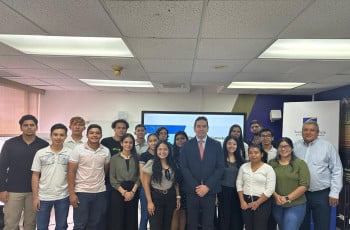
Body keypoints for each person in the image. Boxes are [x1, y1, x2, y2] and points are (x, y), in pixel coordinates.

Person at [0, 114, 49, 230]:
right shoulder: (10, 144)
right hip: (13, 191)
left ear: (36, 127)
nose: (29, 127)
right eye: (25, 125)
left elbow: (46, 170)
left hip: (35, 192)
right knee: (11, 224)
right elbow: (1, 168)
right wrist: (2, 189)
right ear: (21, 127)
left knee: (31, 224)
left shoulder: (44, 145)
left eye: (32, 125)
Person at [294, 120, 343, 230]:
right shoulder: (295, 146)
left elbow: (337, 170)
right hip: (300, 194)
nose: (308, 132)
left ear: (317, 132)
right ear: (301, 132)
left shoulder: (327, 147)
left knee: (322, 225)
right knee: (301, 225)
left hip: (322, 194)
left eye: (312, 130)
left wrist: (335, 192)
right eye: (305, 130)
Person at [180, 116, 224, 230]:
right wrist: (196, 187)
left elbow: (220, 168)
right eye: (198, 126)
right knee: (191, 223)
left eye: (204, 126)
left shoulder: (216, 145)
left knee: (208, 223)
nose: (201, 129)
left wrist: (207, 186)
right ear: (194, 128)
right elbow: (184, 168)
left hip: (210, 191)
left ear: (208, 128)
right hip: (191, 191)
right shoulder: (186, 145)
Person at [68, 124, 110, 229]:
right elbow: (71, 172)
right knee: (80, 224)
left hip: (99, 192)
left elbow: (105, 170)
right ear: (87, 135)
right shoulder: (78, 149)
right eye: (91, 133)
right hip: (82, 192)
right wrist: (72, 193)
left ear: (101, 135)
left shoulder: (106, 151)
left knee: (95, 223)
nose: (94, 135)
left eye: (97, 133)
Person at [31, 123, 71, 230]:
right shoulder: (41, 153)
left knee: (61, 226)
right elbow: (35, 176)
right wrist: (35, 197)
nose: (58, 137)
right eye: (55, 134)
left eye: (61, 135)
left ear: (66, 136)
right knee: (42, 227)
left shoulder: (70, 153)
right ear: (51, 135)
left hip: (63, 196)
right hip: (43, 196)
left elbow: (72, 175)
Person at [269, 137, 310, 230]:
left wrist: (287, 198)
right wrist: (276, 196)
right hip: (277, 204)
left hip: (296, 204)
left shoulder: (300, 164)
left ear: (292, 148)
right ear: (277, 148)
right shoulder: (272, 163)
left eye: (286, 146)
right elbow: (268, 183)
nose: (283, 149)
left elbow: (304, 185)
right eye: (280, 146)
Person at [142, 140, 181, 230]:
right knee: (156, 225)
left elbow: (175, 182)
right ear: (156, 151)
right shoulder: (151, 163)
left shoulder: (172, 163)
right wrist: (149, 202)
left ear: (169, 151)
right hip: (156, 197)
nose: (162, 152)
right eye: (160, 149)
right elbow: (146, 184)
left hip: (170, 197)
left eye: (165, 149)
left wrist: (178, 197)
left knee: (167, 225)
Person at [236, 144, 276, 230]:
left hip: (262, 202)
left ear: (261, 154)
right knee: (248, 227)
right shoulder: (243, 167)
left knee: (260, 227)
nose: (253, 155)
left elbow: (270, 188)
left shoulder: (268, 169)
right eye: (250, 153)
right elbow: (239, 183)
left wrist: (257, 203)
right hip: (246, 202)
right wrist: (242, 201)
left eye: (256, 152)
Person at [101, 119, 129, 229]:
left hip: (125, 183)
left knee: (120, 212)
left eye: (123, 128)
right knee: (107, 209)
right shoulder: (106, 142)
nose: (121, 130)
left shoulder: (128, 142)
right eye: (119, 127)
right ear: (114, 128)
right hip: (109, 182)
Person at [109, 133, 140, 230]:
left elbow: (140, 177)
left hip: (133, 191)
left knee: (131, 219)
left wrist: (132, 192)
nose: (128, 144)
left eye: (131, 142)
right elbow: (112, 178)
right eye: (126, 142)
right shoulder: (114, 158)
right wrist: (124, 192)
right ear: (121, 143)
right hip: (118, 190)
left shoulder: (137, 157)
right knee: (117, 219)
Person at [218, 136, 244, 230]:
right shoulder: (220, 158)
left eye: (234, 144)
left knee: (236, 218)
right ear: (225, 145)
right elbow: (217, 177)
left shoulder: (241, 160)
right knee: (224, 218)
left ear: (237, 146)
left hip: (237, 192)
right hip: (223, 192)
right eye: (229, 143)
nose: (231, 146)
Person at [139, 133, 158, 230]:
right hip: (146, 188)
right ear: (148, 142)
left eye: (155, 140)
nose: (153, 143)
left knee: (156, 216)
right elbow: (142, 175)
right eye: (151, 141)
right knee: (145, 215)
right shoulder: (144, 155)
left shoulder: (162, 154)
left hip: (158, 189)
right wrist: (146, 188)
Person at [171, 131, 189, 230]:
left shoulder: (192, 154)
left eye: (182, 138)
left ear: (187, 139)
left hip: (188, 188)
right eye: (177, 139)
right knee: (176, 211)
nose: (180, 141)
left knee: (184, 212)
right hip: (175, 188)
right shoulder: (172, 155)